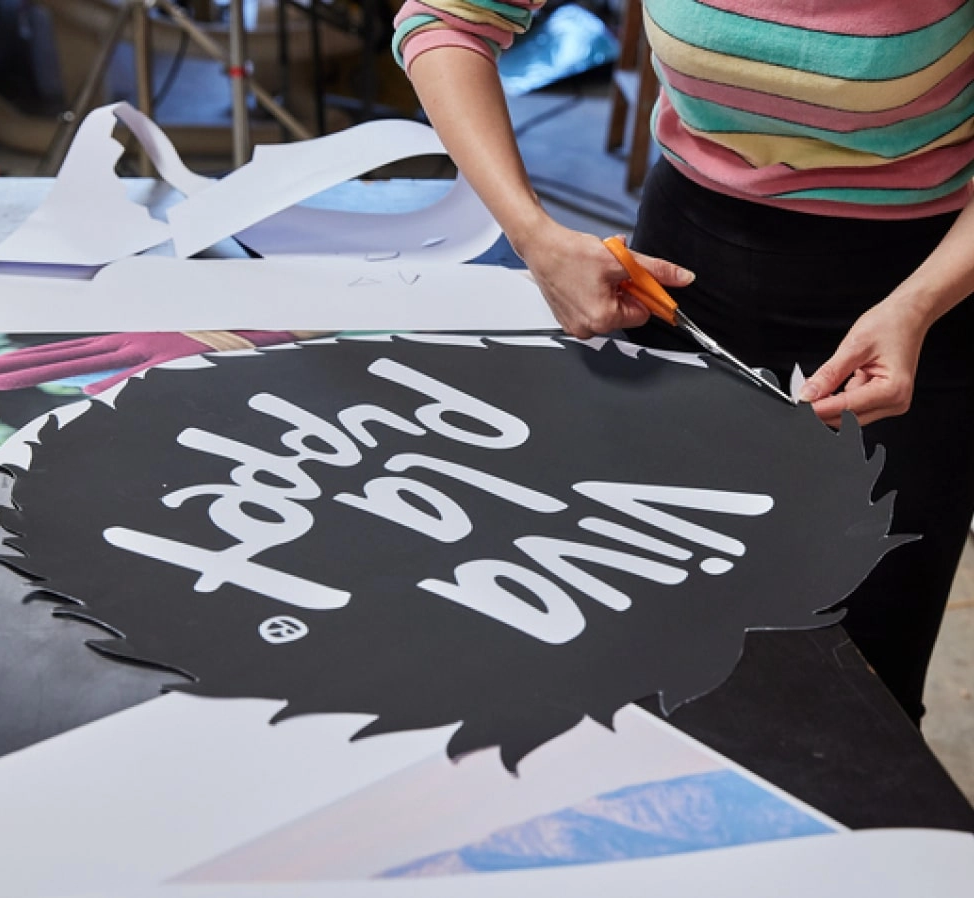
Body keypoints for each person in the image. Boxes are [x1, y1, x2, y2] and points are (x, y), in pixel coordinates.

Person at [391, 0, 974, 724]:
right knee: (640, 648)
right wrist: (533, 236)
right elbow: (445, 22)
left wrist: (918, 304)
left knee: (864, 692)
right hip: (686, 269)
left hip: (919, 291)